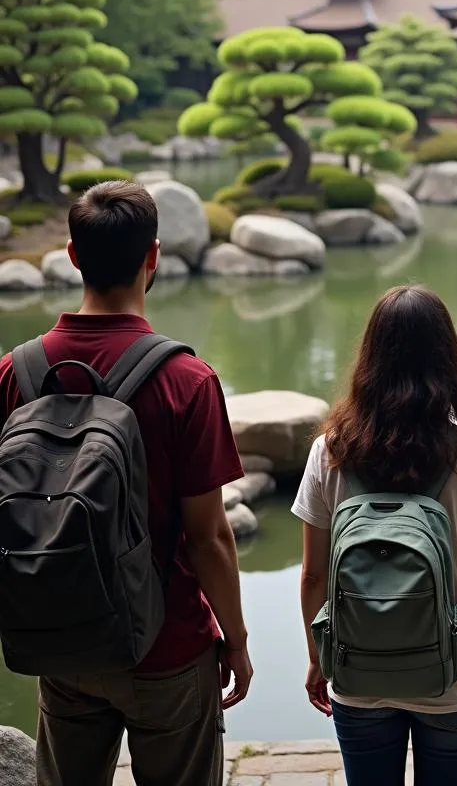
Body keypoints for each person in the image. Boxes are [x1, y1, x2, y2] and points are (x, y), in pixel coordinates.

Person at [0, 181, 252, 786]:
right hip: (167, 647)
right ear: (154, 257)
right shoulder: (186, 381)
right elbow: (209, 537)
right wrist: (236, 641)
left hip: (61, 636)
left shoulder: (16, 372)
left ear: (72, 254)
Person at [293, 285, 457, 786]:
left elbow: (312, 576)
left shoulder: (330, 452)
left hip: (357, 672)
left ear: (369, 358)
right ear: (448, 359)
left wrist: (318, 657)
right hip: (454, 674)